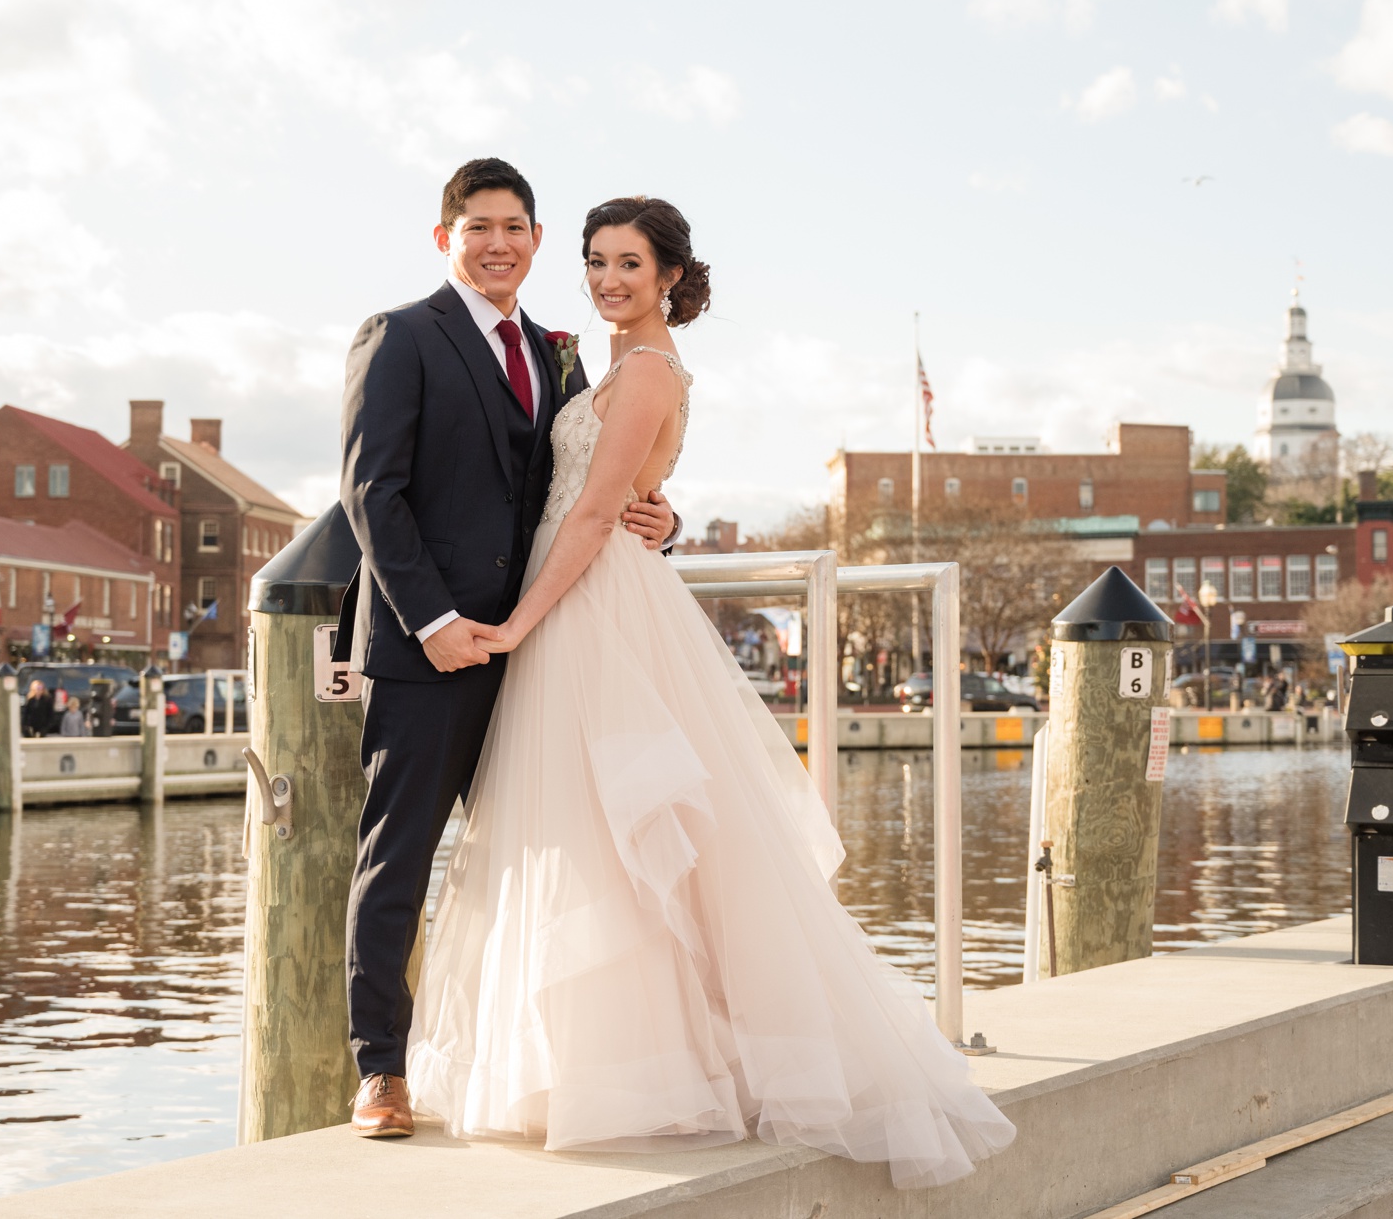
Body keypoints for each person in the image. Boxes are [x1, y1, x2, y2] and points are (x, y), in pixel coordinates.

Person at [401, 195, 1015, 1188]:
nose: (606, 279)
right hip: (592, 600)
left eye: (628, 265)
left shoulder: (644, 371)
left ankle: (637, 1073)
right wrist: (655, 518)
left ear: (669, 279)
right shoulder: (612, 367)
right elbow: (610, 494)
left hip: (592, 608)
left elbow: (597, 511)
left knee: (614, 833)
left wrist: (519, 624)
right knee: (595, 835)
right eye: (596, 261)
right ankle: (596, 1065)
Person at [334, 159, 679, 1144]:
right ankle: (381, 1072)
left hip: (543, 645)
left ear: (534, 241)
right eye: (478, 225)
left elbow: (587, 482)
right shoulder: (400, 336)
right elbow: (372, 493)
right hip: (430, 649)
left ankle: (522, 1060)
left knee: (548, 857)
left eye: (516, 227)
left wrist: (660, 512)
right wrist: (433, 622)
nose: (498, 242)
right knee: (396, 859)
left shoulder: (559, 354)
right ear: (444, 237)